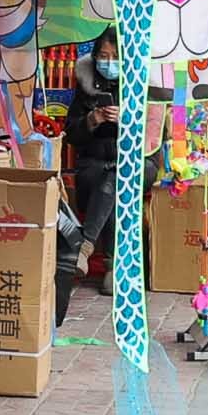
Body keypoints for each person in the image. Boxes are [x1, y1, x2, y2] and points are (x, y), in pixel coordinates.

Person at [61, 31, 130, 300]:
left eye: (115, 57)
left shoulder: (139, 86)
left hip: (138, 165)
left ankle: (85, 245)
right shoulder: (87, 87)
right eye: (103, 56)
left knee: (118, 175)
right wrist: (92, 119)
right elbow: (71, 135)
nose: (109, 62)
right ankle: (113, 269)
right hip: (93, 164)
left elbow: (155, 133)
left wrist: (127, 120)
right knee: (111, 181)